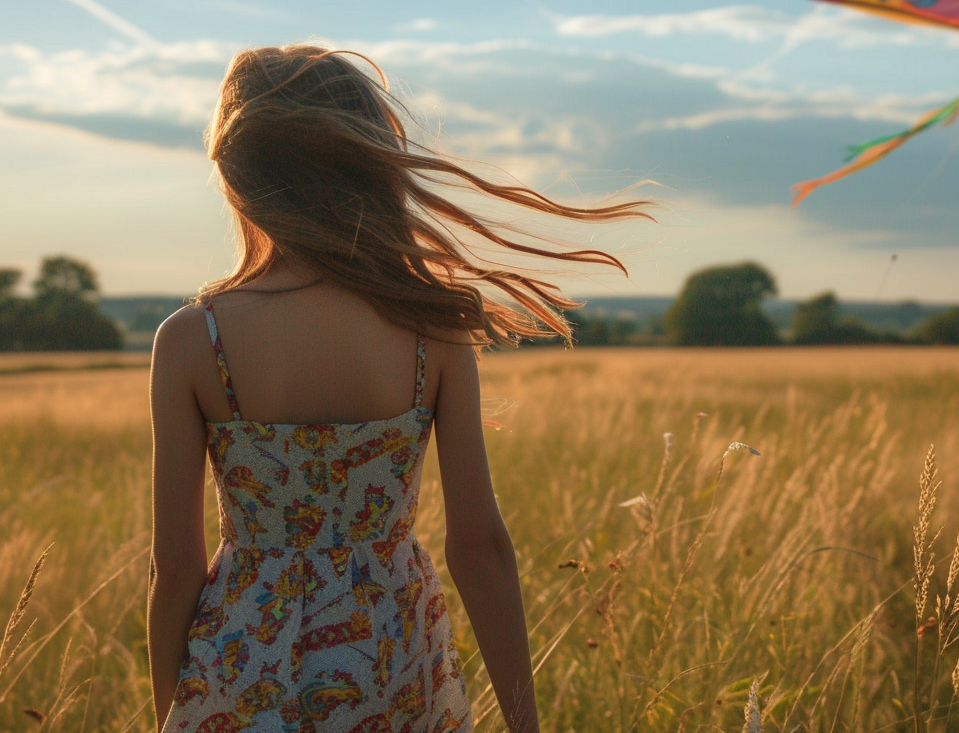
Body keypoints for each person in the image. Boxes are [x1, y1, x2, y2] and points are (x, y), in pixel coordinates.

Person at [147, 45, 649, 732]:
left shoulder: (192, 340)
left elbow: (174, 571)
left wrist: (171, 716)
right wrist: (525, 724)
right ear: (373, 166)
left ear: (239, 175)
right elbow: (479, 545)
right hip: (389, 658)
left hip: (240, 670)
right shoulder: (428, 327)